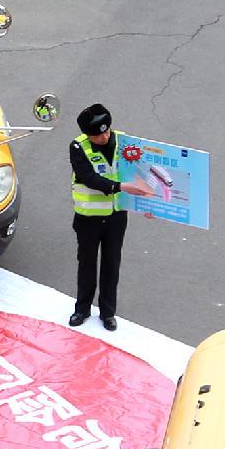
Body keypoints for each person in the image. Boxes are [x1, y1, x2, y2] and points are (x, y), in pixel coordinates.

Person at [69, 103, 153, 331]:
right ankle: (82, 309)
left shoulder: (125, 142)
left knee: (111, 263)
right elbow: (89, 178)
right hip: (88, 218)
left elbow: (140, 173)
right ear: (88, 135)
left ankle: (107, 313)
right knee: (86, 264)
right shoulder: (78, 147)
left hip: (116, 217)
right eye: (98, 135)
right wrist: (120, 186)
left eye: (106, 131)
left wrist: (149, 204)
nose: (104, 137)